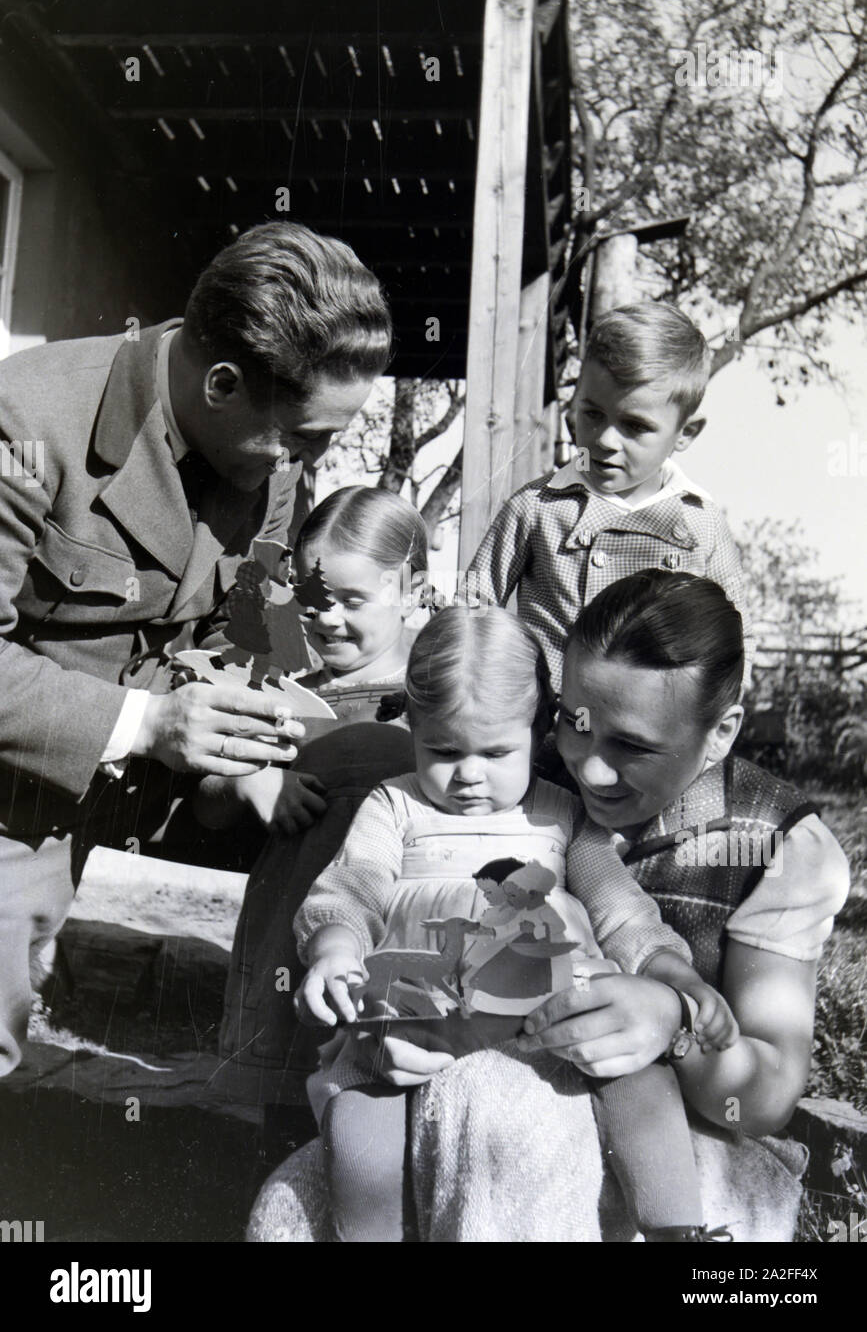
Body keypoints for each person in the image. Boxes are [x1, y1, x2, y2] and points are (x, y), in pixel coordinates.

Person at [248, 574, 849, 1243]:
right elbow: (358, 879)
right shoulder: (468, 787)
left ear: (720, 732)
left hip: (647, 1108)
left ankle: (681, 1231)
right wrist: (357, 972)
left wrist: (671, 1010)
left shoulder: (769, 842)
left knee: (501, 1108)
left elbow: (757, 1091)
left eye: (633, 746)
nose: (589, 770)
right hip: (436, 1046)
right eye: (574, 724)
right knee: (290, 1214)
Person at [0, 223, 390, 1078]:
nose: (316, 460)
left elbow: (255, 619)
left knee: (371, 775)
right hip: (17, 795)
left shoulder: (272, 460)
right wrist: (148, 722)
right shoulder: (25, 424)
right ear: (222, 384)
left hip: (159, 788)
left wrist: (258, 740)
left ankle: (289, 1097)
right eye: (307, 437)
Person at [207, 486, 429, 1119]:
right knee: (275, 1108)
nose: (327, 618)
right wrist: (250, 781)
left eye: (352, 600)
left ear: (408, 587)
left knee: (384, 1095)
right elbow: (207, 805)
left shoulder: (434, 689)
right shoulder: (279, 685)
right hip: (284, 931)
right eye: (311, 597)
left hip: (398, 921)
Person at [463, 301, 752, 692]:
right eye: (592, 414)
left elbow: (736, 639)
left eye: (634, 425)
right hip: (544, 722)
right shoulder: (538, 506)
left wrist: (708, 724)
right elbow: (471, 609)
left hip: (651, 731)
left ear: (685, 433)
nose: (604, 440)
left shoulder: (700, 524)